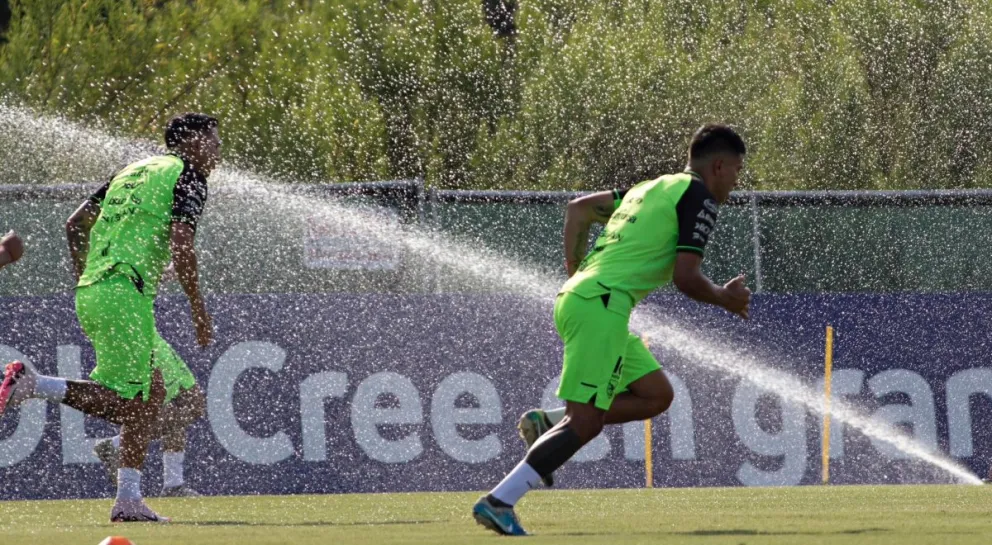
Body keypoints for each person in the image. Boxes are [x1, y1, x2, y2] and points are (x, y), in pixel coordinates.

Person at [472, 123, 752, 536]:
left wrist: (576, 273)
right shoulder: (699, 196)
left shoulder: (651, 187)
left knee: (657, 395)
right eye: (737, 171)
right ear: (719, 165)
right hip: (600, 306)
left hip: (589, 301)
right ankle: (500, 501)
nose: (736, 181)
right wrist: (724, 299)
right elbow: (687, 279)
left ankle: (547, 422)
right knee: (584, 423)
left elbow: (578, 209)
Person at [0, 112, 220, 522]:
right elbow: (182, 244)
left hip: (97, 290)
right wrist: (197, 309)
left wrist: (88, 277)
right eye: (213, 141)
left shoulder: (133, 169)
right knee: (131, 402)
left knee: (151, 394)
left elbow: (76, 223)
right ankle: (33, 384)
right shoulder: (188, 175)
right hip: (124, 293)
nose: (218, 152)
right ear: (191, 143)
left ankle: (129, 500)